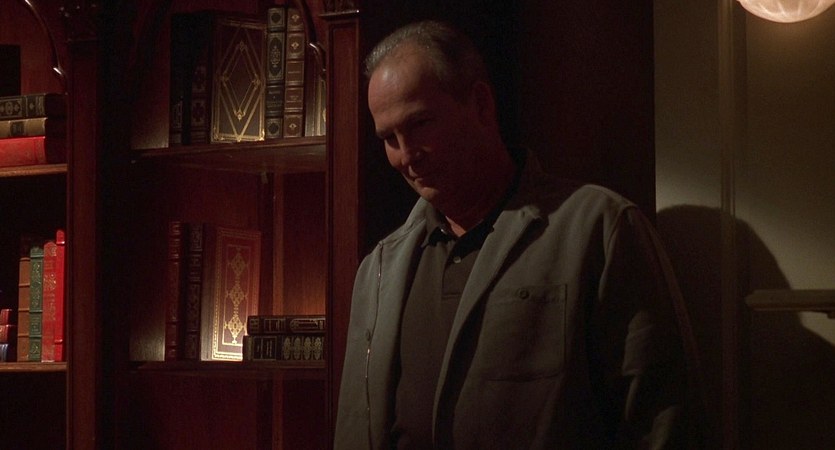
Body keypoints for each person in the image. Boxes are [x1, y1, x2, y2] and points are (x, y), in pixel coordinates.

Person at [334, 20, 699, 449]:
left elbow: (662, 421)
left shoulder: (596, 228)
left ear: (481, 104)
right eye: (389, 138)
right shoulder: (380, 268)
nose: (406, 155)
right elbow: (356, 425)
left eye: (420, 124)